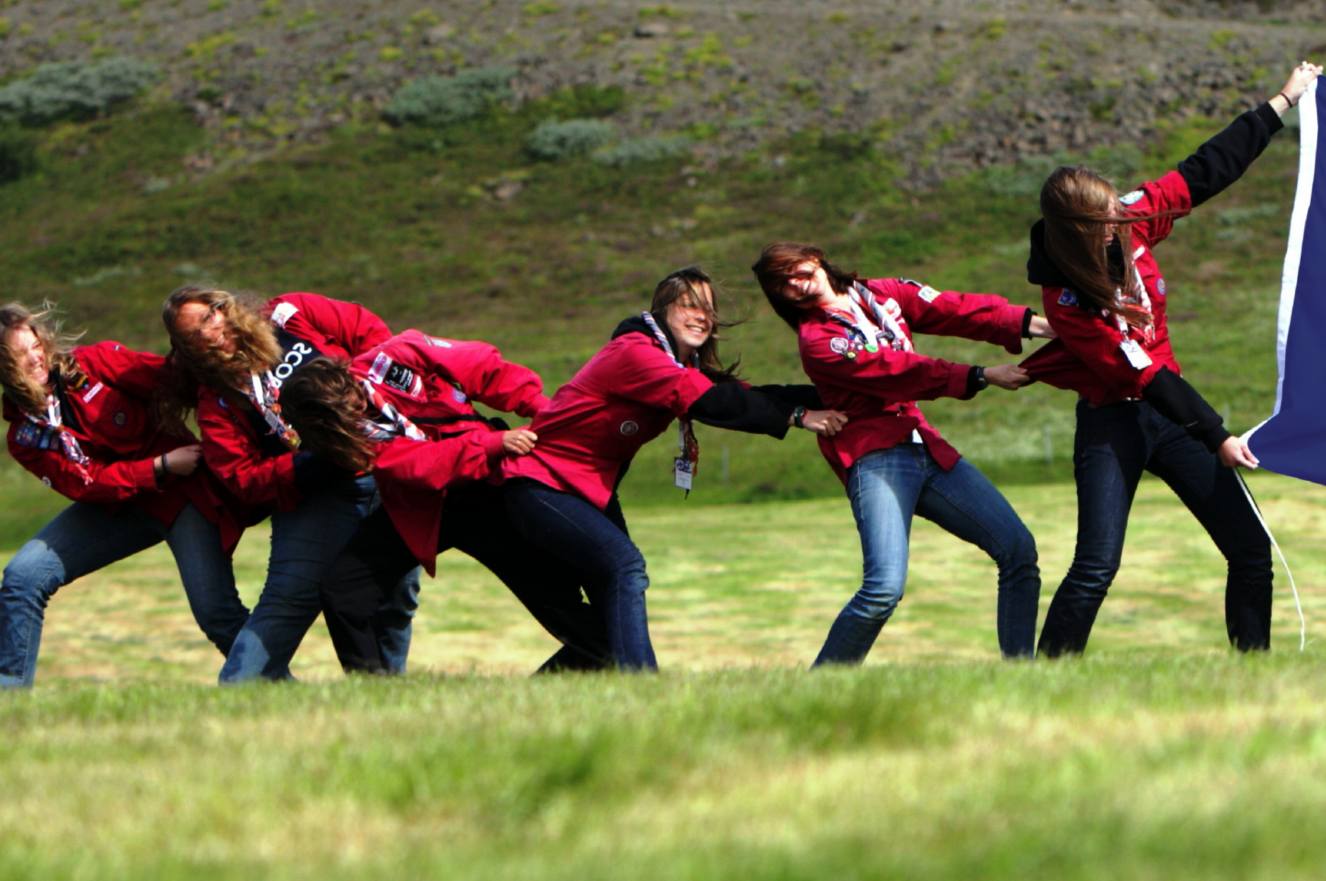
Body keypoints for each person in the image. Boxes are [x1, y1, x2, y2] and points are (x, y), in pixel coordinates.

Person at [1022, 60, 1324, 657]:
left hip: (1172, 417)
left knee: (1249, 547)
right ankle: (1044, 679)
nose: (1118, 225)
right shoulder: (1064, 299)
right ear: (1072, 232)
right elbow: (1141, 370)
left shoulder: (1128, 219)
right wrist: (1217, 434)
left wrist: (1282, 103)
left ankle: (1254, 673)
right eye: (1102, 223)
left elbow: (1204, 171)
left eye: (1117, 213)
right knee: (1097, 565)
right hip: (1116, 419)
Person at [502, 266, 848, 671]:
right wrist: (799, 415)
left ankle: (539, 702)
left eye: (708, 309)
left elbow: (738, 395)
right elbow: (708, 402)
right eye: (690, 306)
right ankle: (646, 689)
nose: (702, 316)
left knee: (610, 631)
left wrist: (840, 392)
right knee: (624, 566)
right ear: (664, 310)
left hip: (588, 491)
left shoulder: (679, 365)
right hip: (540, 485)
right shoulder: (635, 354)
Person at [751, 243, 1051, 666]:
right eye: (783, 286)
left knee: (1018, 549)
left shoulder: (881, 293)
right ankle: (822, 685)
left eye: (796, 270)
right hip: (875, 458)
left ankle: (1023, 674)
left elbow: (954, 308)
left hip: (926, 446)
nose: (798, 284)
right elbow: (898, 373)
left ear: (814, 257)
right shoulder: (818, 341)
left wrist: (1035, 325)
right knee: (883, 589)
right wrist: (980, 376)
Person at [272, 329, 612, 672]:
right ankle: (375, 697)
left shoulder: (397, 354)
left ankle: (618, 660)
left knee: (559, 605)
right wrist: (492, 444)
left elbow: (481, 368)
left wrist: (543, 410)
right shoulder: (343, 437)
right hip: (422, 505)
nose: (360, 407)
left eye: (353, 396)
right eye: (346, 413)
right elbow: (418, 466)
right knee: (342, 592)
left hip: (485, 490)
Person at [0, 302, 249, 688]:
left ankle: (274, 683)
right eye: (19, 355)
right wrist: (160, 465)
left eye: (35, 345)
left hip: (180, 495)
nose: (35, 358)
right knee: (22, 577)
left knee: (215, 611)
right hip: (117, 506)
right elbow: (86, 484)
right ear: (0, 367)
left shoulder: (95, 363)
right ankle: (3, 706)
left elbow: (174, 382)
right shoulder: (23, 437)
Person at [160, 284, 419, 681]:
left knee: (397, 595)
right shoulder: (219, 403)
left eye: (210, 317)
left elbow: (371, 332)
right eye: (194, 335)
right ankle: (240, 687)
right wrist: (311, 464)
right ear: (186, 349)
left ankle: (389, 695)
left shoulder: (291, 313)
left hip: (389, 469)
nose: (210, 334)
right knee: (287, 599)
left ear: (226, 306)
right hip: (317, 494)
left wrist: (365, 396)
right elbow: (242, 477)